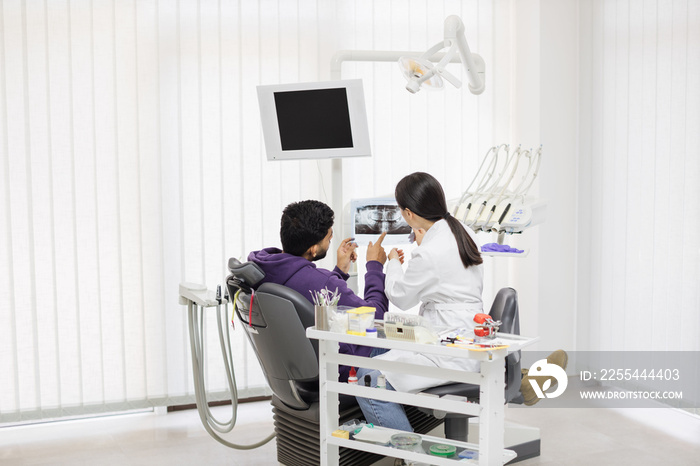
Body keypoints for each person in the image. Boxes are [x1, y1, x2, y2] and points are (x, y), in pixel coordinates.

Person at [356, 172, 486, 431]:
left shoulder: (429, 253)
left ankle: (409, 454)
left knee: (369, 381)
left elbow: (401, 297)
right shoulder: (462, 231)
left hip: (448, 348)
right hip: (467, 335)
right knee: (382, 350)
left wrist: (392, 261)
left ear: (408, 213)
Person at [247, 199, 389, 382]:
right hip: (338, 372)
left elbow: (311, 293)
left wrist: (339, 272)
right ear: (313, 249)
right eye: (329, 238)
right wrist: (375, 266)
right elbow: (375, 318)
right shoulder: (323, 283)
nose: (331, 241)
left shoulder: (264, 269)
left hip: (295, 374)